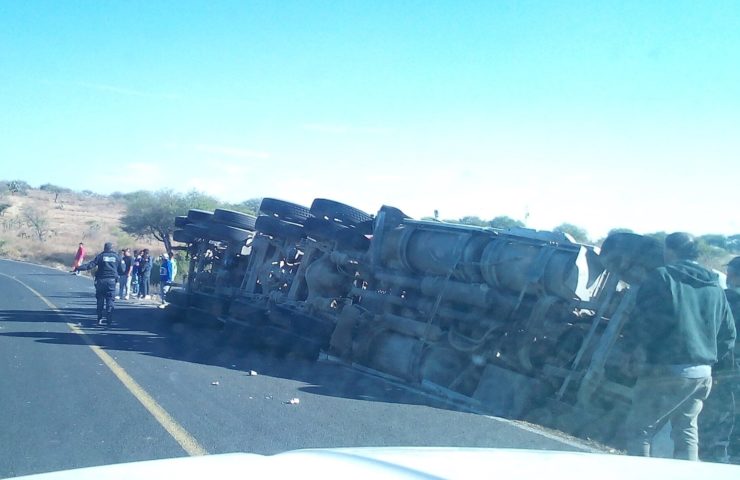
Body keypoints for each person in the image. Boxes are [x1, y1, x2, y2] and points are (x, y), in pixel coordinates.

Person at [619, 232, 736, 461]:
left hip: (667, 371)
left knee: (640, 431)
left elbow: (643, 322)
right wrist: (707, 358)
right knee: (686, 431)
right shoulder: (715, 286)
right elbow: (728, 335)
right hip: (702, 373)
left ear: (669, 251)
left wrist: (630, 352)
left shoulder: (661, 277)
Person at [700, 256, 740, 462]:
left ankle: (711, 458)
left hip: (725, 366)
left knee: (716, 414)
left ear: (733, 275)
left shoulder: (724, 299)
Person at [73, 242, 121, 326]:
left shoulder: (101, 256)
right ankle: (109, 318)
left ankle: (99, 318)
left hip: (101, 281)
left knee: (100, 300)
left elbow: (90, 265)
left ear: (105, 248)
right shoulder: (117, 257)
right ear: (112, 248)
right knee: (110, 299)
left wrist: (78, 268)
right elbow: (122, 269)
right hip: (112, 281)